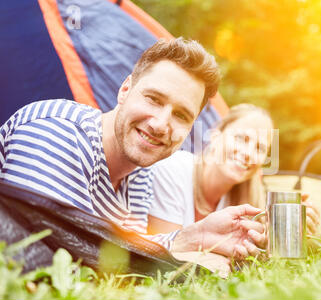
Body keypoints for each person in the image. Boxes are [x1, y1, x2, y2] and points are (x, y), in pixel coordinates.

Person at [0, 38, 265, 275]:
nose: (161, 124)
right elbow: (37, 255)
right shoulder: (58, 133)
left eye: (181, 115)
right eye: (153, 99)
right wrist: (184, 264)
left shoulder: (140, 172)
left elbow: (121, 250)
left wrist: (192, 236)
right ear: (125, 89)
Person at [147, 104, 320, 246]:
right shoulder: (174, 168)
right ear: (215, 137)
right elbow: (162, 255)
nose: (248, 154)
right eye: (241, 139)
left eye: (259, 148)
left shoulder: (246, 201)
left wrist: (288, 237)